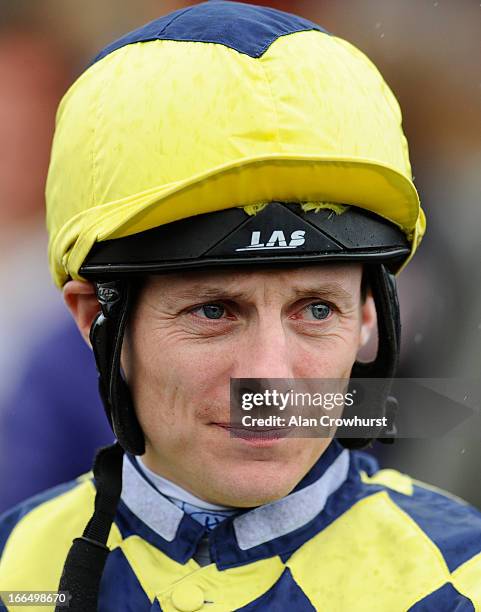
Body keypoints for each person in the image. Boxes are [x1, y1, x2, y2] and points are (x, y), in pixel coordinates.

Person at [1, 2, 480, 611]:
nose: (269, 376)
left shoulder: (465, 583)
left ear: (368, 315)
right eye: (214, 311)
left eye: (315, 310)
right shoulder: (15, 574)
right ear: (94, 316)